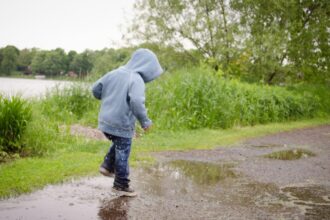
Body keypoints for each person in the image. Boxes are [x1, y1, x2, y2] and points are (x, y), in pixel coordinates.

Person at [92, 48, 163, 196]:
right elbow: (137, 102)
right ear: (146, 66)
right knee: (123, 151)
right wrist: (145, 121)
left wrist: (107, 98)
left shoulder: (113, 73)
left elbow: (95, 89)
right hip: (121, 122)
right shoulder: (135, 79)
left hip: (105, 122)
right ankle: (121, 184)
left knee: (119, 143)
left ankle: (107, 166)